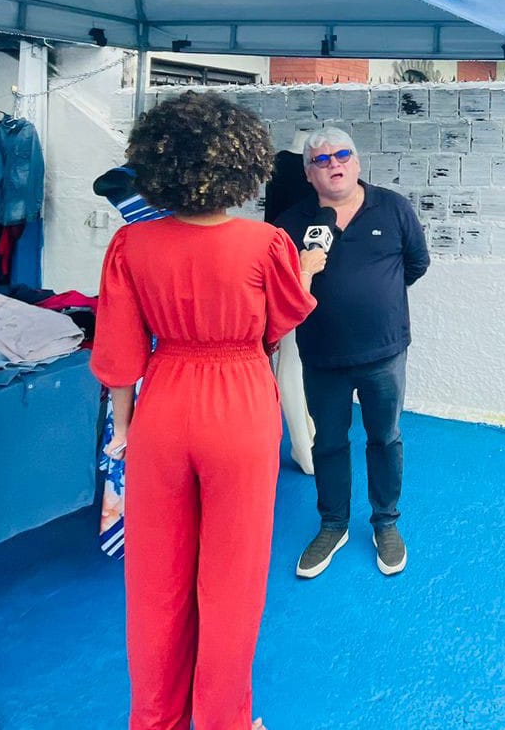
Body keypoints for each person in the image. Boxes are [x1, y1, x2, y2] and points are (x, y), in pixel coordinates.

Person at [92, 92, 317, 730]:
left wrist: (126, 426)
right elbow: (281, 322)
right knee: (232, 579)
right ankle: (223, 719)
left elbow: (118, 353)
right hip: (240, 400)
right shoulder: (265, 243)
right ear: (240, 165)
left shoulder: (130, 246)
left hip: (162, 402)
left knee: (155, 577)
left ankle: (155, 719)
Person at [274, 126, 430, 579]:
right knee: (329, 442)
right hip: (322, 355)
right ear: (308, 173)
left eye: (342, 155)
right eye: (321, 160)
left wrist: (374, 300)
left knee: (385, 438)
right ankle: (333, 524)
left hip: (384, 353)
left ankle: (386, 522)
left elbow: (416, 264)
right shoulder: (290, 224)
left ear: (357, 163)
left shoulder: (394, 207)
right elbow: (281, 289)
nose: (334, 164)